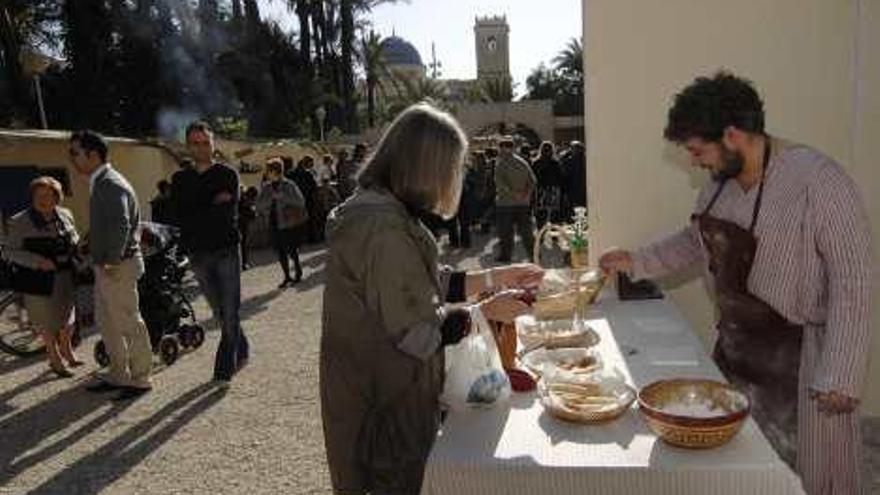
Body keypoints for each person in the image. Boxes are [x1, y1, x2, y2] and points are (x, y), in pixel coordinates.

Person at [599, 72, 872, 494]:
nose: (694, 162)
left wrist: (841, 372)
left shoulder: (818, 180)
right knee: (737, 476)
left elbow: (854, 278)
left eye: (697, 150)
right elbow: (694, 243)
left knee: (801, 479)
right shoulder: (719, 189)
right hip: (736, 358)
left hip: (800, 371)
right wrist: (636, 261)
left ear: (733, 135)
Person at [320, 103, 543, 494]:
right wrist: (484, 312)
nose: (454, 178)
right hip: (384, 399)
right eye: (452, 167)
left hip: (380, 386)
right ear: (426, 168)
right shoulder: (381, 229)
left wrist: (494, 276)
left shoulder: (385, 211)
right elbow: (415, 333)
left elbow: (421, 282)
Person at [69, 130, 153, 401]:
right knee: (109, 323)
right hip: (107, 264)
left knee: (128, 321)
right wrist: (90, 243)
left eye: (75, 153)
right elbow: (108, 223)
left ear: (93, 155)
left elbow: (121, 224)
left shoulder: (110, 183)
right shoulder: (101, 181)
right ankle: (119, 374)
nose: (72, 159)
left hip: (117, 265)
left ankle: (140, 378)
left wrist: (112, 260)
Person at [172, 121, 249, 385]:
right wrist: (211, 207)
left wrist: (200, 212)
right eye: (195, 143)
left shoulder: (228, 175)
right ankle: (244, 348)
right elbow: (180, 216)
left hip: (227, 249)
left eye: (206, 142)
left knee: (231, 307)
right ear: (188, 145)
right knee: (220, 312)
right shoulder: (180, 179)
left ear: (213, 144)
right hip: (198, 254)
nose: (201, 147)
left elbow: (227, 215)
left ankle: (223, 367)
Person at [5, 176, 82, 377]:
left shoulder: (65, 214)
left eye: (48, 195)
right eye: (38, 195)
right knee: (46, 321)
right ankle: (54, 358)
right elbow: (11, 251)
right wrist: (38, 261)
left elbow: (74, 236)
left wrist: (75, 246)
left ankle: (67, 349)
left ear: (57, 197)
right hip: (37, 279)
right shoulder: (19, 220)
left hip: (65, 275)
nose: (43, 199)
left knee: (67, 319)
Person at [256, 157, 307, 288]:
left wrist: (283, 197)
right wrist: (269, 201)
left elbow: (300, 202)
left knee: (291, 249)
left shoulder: (289, 185)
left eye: (269, 171)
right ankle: (287, 276)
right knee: (280, 250)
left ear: (275, 171)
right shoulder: (266, 187)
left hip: (288, 222)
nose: (267, 173)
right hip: (273, 222)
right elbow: (259, 204)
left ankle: (297, 270)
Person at [494, 137, 537, 262]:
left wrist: (514, 193)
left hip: (505, 203)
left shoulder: (500, 163)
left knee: (506, 232)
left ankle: (506, 256)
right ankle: (534, 255)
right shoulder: (522, 162)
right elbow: (533, 181)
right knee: (526, 232)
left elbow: (500, 182)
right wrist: (526, 194)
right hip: (523, 203)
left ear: (502, 148)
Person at [531, 141, 564, 226]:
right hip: (552, 190)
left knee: (541, 215)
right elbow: (561, 178)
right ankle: (553, 235)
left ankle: (542, 234)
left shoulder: (536, 163)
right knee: (553, 215)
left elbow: (532, 178)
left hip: (541, 190)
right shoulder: (555, 163)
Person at [289, 155, 320, 243]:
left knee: (297, 220)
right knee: (310, 219)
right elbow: (314, 186)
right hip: (307, 199)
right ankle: (311, 238)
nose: (312, 165)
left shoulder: (291, 172)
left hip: (296, 199)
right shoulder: (307, 173)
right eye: (311, 164)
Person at [238, 186, 258, 271]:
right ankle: (243, 263)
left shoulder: (243, 196)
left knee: (243, 244)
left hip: (242, 223)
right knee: (242, 244)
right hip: (239, 223)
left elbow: (251, 213)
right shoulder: (241, 197)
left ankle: (243, 263)